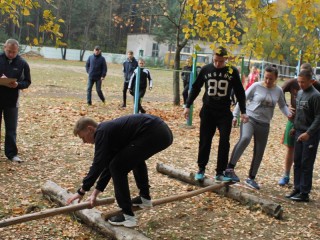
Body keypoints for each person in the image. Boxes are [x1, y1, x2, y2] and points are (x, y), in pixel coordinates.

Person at [67, 114, 173, 227]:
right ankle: (144, 198)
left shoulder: (102, 133)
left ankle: (128, 216)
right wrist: (95, 194)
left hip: (155, 131)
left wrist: (82, 191)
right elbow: (107, 167)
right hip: (162, 132)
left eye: (83, 137)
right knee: (131, 159)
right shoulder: (107, 133)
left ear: (90, 129)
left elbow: (98, 165)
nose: (84, 142)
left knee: (118, 166)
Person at [183, 46, 248, 182]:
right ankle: (201, 168)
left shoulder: (232, 71)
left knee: (225, 141)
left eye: (221, 61)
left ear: (225, 59)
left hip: (224, 112)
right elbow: (196, 87)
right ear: (213, 57)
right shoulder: (206, 69)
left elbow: (240, 92)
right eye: (216, 60)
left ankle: (220, 172)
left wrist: (243, 111)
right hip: (208, 111)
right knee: (205, 140)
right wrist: (187, 105)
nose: (218, 64)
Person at [225, 66, 292, 190]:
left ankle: (251, 178)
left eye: (271, 79)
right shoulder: (256, 86)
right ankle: (229, 168)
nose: (267, 81)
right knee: (245, 138)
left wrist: (288, 114)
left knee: (259, 150)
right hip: (249, 118)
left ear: (276, 78)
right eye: (266, 77)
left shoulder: (278, 91)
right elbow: (242, 99)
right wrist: (235, 115)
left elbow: (282, 105)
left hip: (264, 123)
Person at [278, 63, 320, 186]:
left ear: (311, 79)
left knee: (306, 160)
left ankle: (304, 188)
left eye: (304, 80)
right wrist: (286, 107)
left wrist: (310, 131)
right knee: (294, 154)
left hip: (310, 128)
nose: (300, 83)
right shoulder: (296, 87)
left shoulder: (316, 90)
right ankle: (291, 180)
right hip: (296, 124)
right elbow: (280, 91)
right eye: (299, 79)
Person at [0, 39, 31, 162]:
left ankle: (11, 154)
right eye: (9, 51)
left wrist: (17, 84)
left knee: (11, 130)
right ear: (4, 48)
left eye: (13, 52)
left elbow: (27, 82)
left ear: (17, 50)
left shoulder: (22, 63)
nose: (11, 54)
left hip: (12, 101)